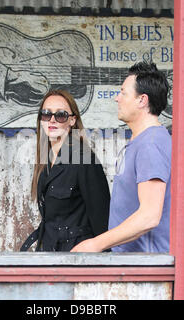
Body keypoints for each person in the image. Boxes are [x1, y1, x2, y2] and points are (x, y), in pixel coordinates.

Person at [71, 61, 171, 253]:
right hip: (134, 264)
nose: (117, 98)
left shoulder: (150, 145)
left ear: (142, 100)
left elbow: (149, 215)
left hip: (146, 268)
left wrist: (95, 244)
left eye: (123, 92)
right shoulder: (143, 141)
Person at [20, 90, 110, 252]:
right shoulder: (46, 159)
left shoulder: (85, 160)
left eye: (60, 115)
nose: (52, 120)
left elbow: (102, 221)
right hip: (49, 253)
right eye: (46, 114)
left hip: (76, 258)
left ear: (72, 120)